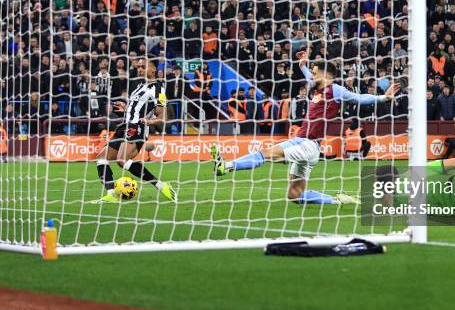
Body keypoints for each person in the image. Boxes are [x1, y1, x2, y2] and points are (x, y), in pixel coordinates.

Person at [210, 51, 399, 205]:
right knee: (295, 195)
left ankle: (226, 166)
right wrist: (302, 66)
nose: (312, 76)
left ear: (326, 75)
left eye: (315, 73)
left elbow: (358, 98)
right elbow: (309, 76)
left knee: (266, 153)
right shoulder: (318, 88)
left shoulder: (335, 90)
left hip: (308, 145)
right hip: (304, 143)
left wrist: (383, 98)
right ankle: (337, 200)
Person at [95, 58, 176, 203]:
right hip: (124, 125)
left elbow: (162, 116)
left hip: (137, 128)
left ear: (153, 70)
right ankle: (111, 194)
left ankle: (160, 185)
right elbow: (138, 108)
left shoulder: (158, 88)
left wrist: (148, 121)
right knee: (101, 158)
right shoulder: (139, 86)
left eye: (143, 67)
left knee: (121, 160)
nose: (139, 69)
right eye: (138, 67)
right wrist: (126, 108)